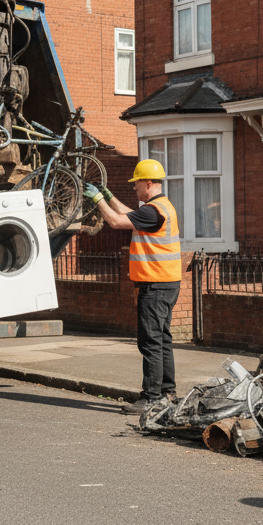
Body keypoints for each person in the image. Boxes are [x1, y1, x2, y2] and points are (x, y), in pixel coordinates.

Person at [84, 159, 181, 414]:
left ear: (148, 183)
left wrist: (97, 201)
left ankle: (151, 398)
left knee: (150, 342)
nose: (134, 188)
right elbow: (128, 214)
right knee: (162, 340)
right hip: (167, 283)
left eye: (136, 183)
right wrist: (110, 197)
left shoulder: (153, 211)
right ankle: (167, 393)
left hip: (156, 285)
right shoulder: (159, 207)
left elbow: (116, 222)